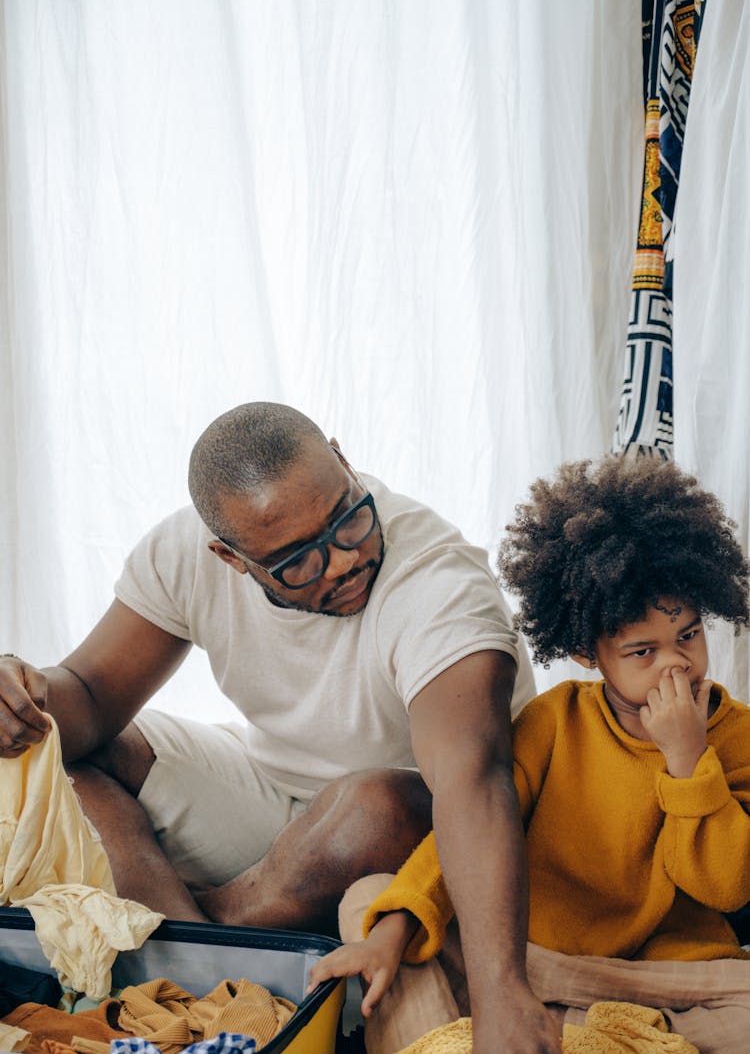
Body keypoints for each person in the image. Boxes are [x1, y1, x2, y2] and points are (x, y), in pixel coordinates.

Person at [0, 401, 562, 1053]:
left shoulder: (436, 584)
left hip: (421, 825)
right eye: (298, 560)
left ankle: (181, 943)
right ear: (230, 558)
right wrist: (22, 691)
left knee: (374, 805)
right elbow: (90, 695)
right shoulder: (186, 554)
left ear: (343, 458)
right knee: (52, 744)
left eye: (348, 519)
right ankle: (207, 965)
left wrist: (502, 993)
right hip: (273, 791)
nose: (342, 562)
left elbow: (476, 780)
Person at [308, 454, 750, 1049]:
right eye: (642, 652)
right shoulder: (555, 720)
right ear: (589, 654)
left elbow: (727, 889)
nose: (676, 662)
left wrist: (688, 762)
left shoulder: (735, 734)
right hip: (533, 960)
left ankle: (564, 1035)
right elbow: (469, 834)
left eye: (689, 636)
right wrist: (395, 930)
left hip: (665, 976)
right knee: (371, 905)